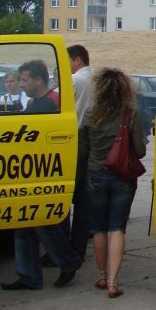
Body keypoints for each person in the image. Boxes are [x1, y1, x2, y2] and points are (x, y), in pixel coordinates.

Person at [1, 60, 81, 291]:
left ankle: (67, 261)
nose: (21, 84)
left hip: (41, 174)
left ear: (38, 80)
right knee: (25, 226)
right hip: (32, 174)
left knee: (42, 224)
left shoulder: (48, 104)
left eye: (25, 80)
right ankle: (29, 275)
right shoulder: (39, 103)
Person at [80, 68, 146, 298]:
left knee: (98, 227)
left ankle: (100, 274)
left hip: (96, 173)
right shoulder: (130, 114)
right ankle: (112, 282)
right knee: (117, 227)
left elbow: (84, 148)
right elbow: (140, 150)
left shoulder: (90, 114)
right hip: (122, 176)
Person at [68, 44, 93, 259]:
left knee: (68, 192)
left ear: (77, 60)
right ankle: (82, 236)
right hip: (94, 138)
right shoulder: (96, 79)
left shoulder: (75, 80)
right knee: (85, 195)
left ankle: (65, 246)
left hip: (75, 139)